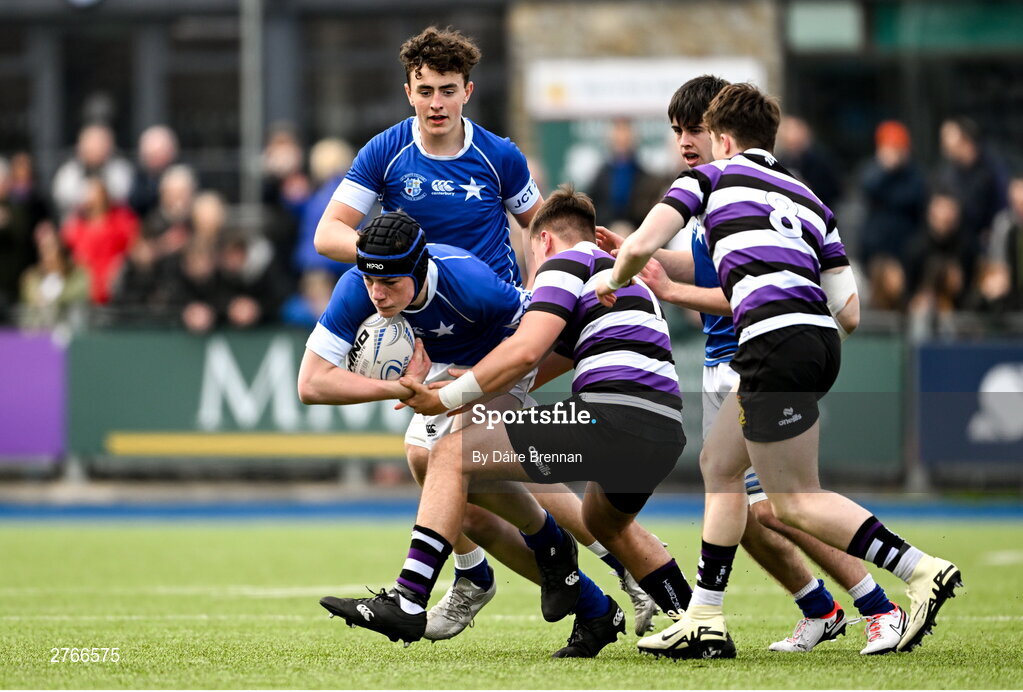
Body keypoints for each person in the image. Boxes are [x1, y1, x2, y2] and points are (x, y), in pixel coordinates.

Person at [598, 82, 961, 659]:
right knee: (720, 465)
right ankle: (705, 618)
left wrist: (612, 283)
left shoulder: (710, 179)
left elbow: (642, 242)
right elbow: (851, 311)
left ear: (721, 138)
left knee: (791, 502)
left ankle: (920, 570)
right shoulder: (810, 198)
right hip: (816, 343)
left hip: (772, 345)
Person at [322, 190, 693, 659]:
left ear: (543, 240)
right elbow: (544, 360)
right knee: (608, 524)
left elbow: (524, 350)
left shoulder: (564, 265)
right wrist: (479, 381)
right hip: (663, 427)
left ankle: (410, 596)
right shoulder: (619, 279)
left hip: (607, 416)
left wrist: (448, 396)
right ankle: (696, 620)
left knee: (452, 457)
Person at [313, 26, 542, 286]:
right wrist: (390, 256)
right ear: (409, 93)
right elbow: (327, 234)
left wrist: (536, 291)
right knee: (348, 289)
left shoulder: (500, 154)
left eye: (447, 91)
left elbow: (539, 227)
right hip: (415, 309)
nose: (436, 103)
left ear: (467, 92)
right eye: (425, 91)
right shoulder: (384, 150)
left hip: (493, 310)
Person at [60, 176, 139, 305]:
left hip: (115, 291)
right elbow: (65, 253)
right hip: (84, 293)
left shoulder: (122, 219)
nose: (89, 198)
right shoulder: (75, 226)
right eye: (86, 194)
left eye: (93, 193)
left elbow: (135, 246)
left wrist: (121, 264)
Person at [52, 123, 134, 222]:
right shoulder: (69, 172)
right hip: (76, 228)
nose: (96, 148)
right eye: (92, 143)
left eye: (101, 143)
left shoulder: (120, 170)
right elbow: (63, 198)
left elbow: (121, 197)